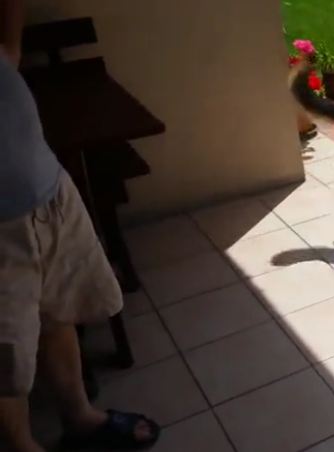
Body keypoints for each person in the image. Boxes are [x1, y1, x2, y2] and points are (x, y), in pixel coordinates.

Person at [0, 1, 160, 450]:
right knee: (5, 361)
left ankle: (79, 418)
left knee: (58, 312)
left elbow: (8, 52)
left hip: (48, 191)